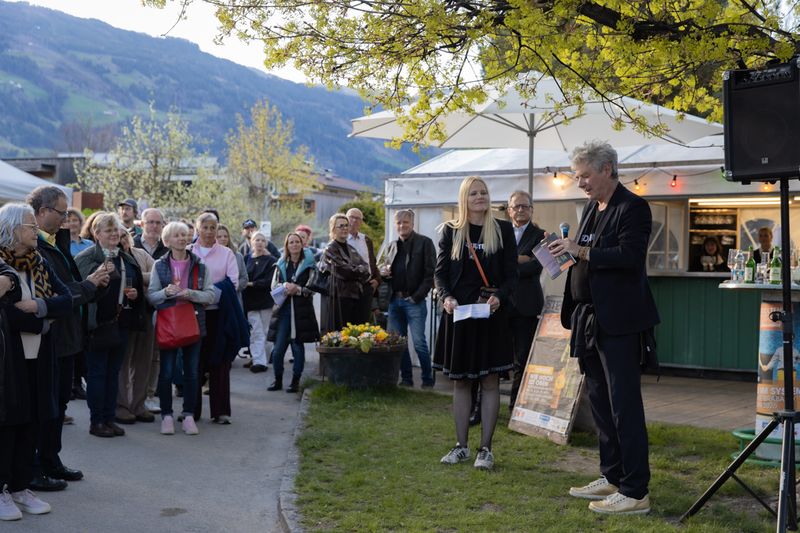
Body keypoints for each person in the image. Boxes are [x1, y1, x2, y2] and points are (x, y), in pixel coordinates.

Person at [548, 140, 659, 515]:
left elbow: (629, 258)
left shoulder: (634, 207)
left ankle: (635, 490)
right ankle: (612, 475)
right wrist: (564, 253)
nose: (580, 183)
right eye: (578, 177)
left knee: (624, 405)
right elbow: (586, 255)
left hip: (621, 322)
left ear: (607, 170)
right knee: (599, 402)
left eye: (585, 176)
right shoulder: (591, 208)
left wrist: (580, 251)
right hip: (588, 320)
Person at [27, 187, 110, 491]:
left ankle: (51, 460)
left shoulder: (56, 243)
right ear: (42, 211)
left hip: (67, 337)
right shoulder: (32, 247)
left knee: (59, 404)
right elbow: (55, 295)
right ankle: (36, 466)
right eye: (61, 213)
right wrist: (88, 286)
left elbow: (70, 287)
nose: (67, 220)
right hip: (50, 337)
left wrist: (96, 285)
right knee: (44, 406)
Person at [433, 176, 517, 471]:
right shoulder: (451, 231)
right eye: (473, 193)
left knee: (490, 381)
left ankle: (486, 449)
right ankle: (461, 446)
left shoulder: (503, 230)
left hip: (491, 316)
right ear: (464, 199)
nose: (480, 197)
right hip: (460, 316)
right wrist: (445, 297)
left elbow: (511, 276)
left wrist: (500, 298)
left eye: (483, 192)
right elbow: (440, 274)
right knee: (461, 382)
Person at [0, 203, 72, 517]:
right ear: (13, 228)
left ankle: (20, 486)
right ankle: (2, 489)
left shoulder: (38, 260)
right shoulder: (2, 265)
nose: (34, 231)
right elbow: (8, 315)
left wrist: (39, 308)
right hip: (9, 358)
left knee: (32, 421)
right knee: (7, 424)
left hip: (39, 355)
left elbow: (66, 299)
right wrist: (44, 320)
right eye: (30, 225)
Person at [75, 213, 146, 438]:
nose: (114, 234)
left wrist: (135, 295)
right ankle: (97, 422)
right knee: (97, 374)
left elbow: (134, 283)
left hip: (121, 323)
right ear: (97, 234)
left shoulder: (123, 257)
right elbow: (78, 291)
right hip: (97, 325)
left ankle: (109, 418)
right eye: (109, 230)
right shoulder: (87, 257)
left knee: (113, 373)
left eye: (116, 230)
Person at [147, 222, 215, 435]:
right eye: (176, 235)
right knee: (166, 373)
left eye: (184, 235)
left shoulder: (200, 265)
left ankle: (188, 415)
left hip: (193, 323)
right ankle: (166, 415)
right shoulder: (160, 265)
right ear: (167, 241)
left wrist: (190, 294)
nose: (182, 238)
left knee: (192, 373)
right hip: (168, 324)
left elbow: (211, 295)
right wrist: (166, 293)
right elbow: (151, 296)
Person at [188, 212, 245, 424]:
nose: (210, 232)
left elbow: (233, 282)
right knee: (194, 362)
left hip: (219, 314)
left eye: (213, 227)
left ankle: (221, 411)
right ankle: (191, 411)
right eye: (205, 227)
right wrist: (196, 297)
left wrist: (208, 295)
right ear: (197, 228)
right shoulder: (188, 251)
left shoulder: (227, 253)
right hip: (193, 313)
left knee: (220, 362)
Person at [0, 259, 45, 521]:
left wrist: (9, 279)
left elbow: (11, 291)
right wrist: (38, 323)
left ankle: (17, 486)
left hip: (15, 352)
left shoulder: (10, 264)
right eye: (28, 225)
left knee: (21, 420)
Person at [377, 209, 436, 388]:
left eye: (405, 222)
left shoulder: (425, 243)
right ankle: (407, 379)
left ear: (412, 223)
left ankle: (427, 379)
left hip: (414, 301)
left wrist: (417, 296)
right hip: (395, 301)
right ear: (395, 225)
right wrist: (383, 272)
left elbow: (430, 274)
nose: (402, 225)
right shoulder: (391, 246)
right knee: (399, 343)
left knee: (419, 343)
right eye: (399, 223)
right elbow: (383, 270)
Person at [506, 191, 546, 410]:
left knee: (522, 358)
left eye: (525, 206)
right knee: (495, 356)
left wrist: (508, 263)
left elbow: (536, 266)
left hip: (527, 305)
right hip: (501, 303)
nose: (520, 210)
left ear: (531, 209)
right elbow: (492, 264)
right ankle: (482, 407)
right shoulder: (500, 232)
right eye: (516, 206)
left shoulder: (541, 235)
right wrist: (519, 259)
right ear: (509, 209)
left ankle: (516, 406)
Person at [267, 232, 320, 392]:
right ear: (287, 245)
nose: (294, 245)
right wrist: (285, 288)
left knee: (297, 348)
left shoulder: (310, 264)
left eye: (297, 242)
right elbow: (273, 286)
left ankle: (295, 381)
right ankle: (277, 380)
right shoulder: (280, 263)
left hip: (301, 312)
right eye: (291, 242)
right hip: (283, 312)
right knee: (278, 350)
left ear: (302, 244)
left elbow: (313, 288)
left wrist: (297, 289)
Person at [114, 231, 157, 425]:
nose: (121, 239)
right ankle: (122, 405)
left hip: (144, 311)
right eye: (117, 235)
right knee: (123, 361)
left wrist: (136, 276)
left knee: (144, 360)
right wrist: (143, 279)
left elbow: (157, 275)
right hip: (121, 314)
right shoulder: (110, 256)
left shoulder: (140, 254)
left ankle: (139, 405)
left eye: (124, 235)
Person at [320, 213, 370, 332]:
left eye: (346, 225)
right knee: (341, 336)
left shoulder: (351, 249)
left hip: (355, 297)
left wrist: (355, 270)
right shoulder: (330, 249)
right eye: (341, 226)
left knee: (355, 335)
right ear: (333, 229)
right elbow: (344, 271)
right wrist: (357, 270)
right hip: (339, 299)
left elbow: (366, 269)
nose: (345, 228)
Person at [243, 231, 277, 374]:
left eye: (262, 240)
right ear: (252, 242)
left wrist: (252, 284)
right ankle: (258, 361)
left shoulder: (271, 260)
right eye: (257, 240)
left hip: (265, 301)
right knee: (256, 331)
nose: (260, 243)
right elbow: (242, 276)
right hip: (250, 302)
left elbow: (270, 281)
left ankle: (264, 358)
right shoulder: (246, 259)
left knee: (265, 331)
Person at [346, 208, 381, 323]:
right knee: (348, 323)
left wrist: (376, 280)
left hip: (366, 287)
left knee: (363, 322)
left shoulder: (366, 239)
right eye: (352, 217)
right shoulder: (341, 240)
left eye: (358, 218)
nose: (354, 220)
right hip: (347, 288)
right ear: (346, 219)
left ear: (361, 222)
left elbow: (372, 262)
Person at [216, 224, 249, 305]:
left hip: (234, 299)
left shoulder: (238, 256)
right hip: (216, 300)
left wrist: (232, 288)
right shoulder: (210, 257)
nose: (223, 239)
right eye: (219, 237)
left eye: (225, 236)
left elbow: (244, 278)